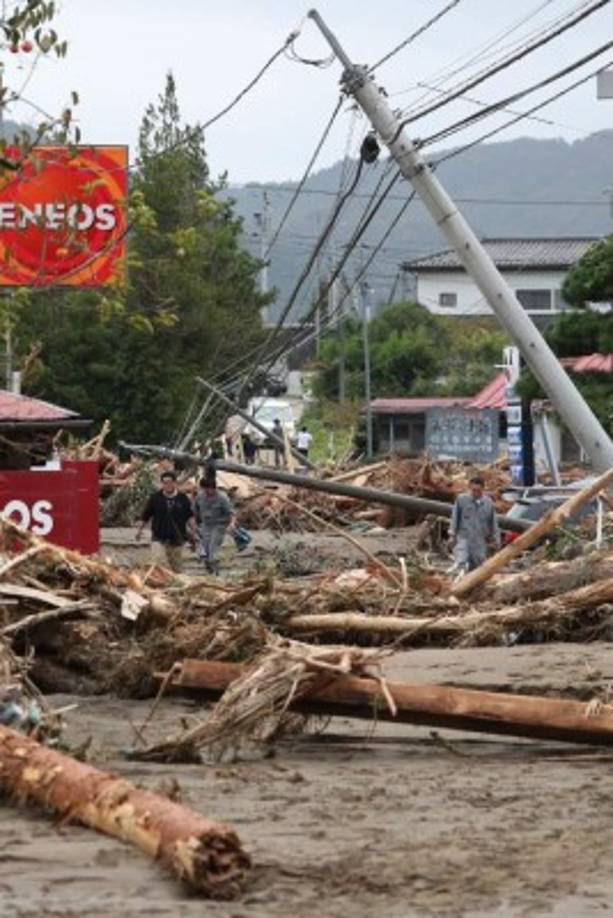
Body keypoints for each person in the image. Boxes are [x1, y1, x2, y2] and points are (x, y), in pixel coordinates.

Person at [136, 470, 195, 573]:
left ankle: (177, 581)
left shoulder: (182, 498)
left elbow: (190, 516)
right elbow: (146, 515)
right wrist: (139, 530)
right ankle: (157, 580)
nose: (167, 485)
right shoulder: (155, 498)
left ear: (175, 483)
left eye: (169, 482)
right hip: (158, 536)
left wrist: (194, 532)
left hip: (176, 538)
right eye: (165, 483)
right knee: (156, 561)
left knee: (177, 567)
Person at [449, 475, 501, 573]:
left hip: (480, 542)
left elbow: (493, 523)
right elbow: (455, 518)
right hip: (464, 538)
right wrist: (452, 535)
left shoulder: (488, 503)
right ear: (470, 488)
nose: (476, 493)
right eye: (473, 490)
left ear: (483, 489)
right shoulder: (462, 500)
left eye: (478, 491)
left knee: (478, 568)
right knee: (462, 563)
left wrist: (496, 540)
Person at [194, 469, 234, 574]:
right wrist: (195, 525)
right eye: (204, 489)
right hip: (205, 525)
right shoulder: (200, 497)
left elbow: (230, 513)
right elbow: (195, 511)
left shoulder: (222, 498)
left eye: (208, 489)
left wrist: (231, 524)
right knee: (205, 550)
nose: (206, 492)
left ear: (214, 488)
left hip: (219, 526)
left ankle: (215, 571)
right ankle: (210, 570)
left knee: (213, 548)